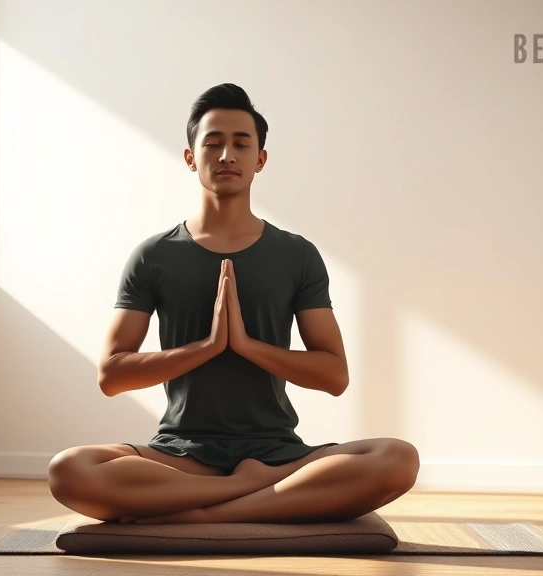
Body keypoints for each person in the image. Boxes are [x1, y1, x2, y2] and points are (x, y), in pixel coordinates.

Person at [48, 83, 419, 524]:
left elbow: (334, 375)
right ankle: (245, 494)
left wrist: (246, 345)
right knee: (69, 470)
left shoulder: (296, 254)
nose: (227, 155)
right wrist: (205, 348)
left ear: (260, 159)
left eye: (241, 144)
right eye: (213, 143)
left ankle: (203, 513)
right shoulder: (154, 255)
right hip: (182, 454)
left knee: (398, 458)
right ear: (191, 158)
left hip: (277, 453)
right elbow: (111, 376)